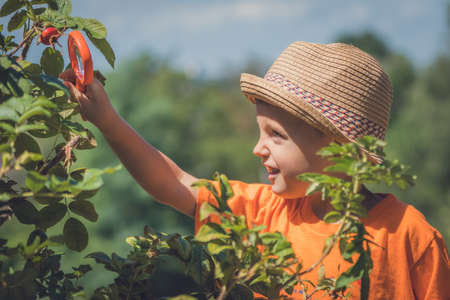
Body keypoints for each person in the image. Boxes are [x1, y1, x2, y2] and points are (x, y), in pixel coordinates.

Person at [60, 41, 450, 300]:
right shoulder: (260, 213)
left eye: (276, 135)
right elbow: (173, 182)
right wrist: (107, 120)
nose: (257, 148)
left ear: (338, 148)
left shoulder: (409, 238)